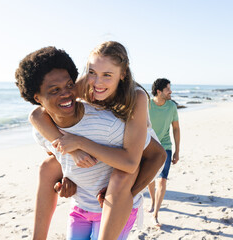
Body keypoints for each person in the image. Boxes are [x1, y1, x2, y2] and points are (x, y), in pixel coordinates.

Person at [15, 45, 165, 239]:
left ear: (123, 74)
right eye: (92, 72)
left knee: (121, 178)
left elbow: (142, 159)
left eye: (107, 75)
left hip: (137, 151)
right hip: (90, 190)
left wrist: (122, 195)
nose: (98, 82)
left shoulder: (136, 97)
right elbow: (36, 113)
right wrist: (69, 164)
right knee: (48, 167)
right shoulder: (84, 85)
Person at [147, 78, 181, 227]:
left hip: (165, 146)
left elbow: (176, 128)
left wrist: (177, 151)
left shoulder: (172, 106)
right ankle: (153, 201)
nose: (171, 91)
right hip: (148, 146)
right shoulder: (147, 104)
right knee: (150, 179)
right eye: (168, 89)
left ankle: (155, 215)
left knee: (162, 180)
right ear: (159, 91)